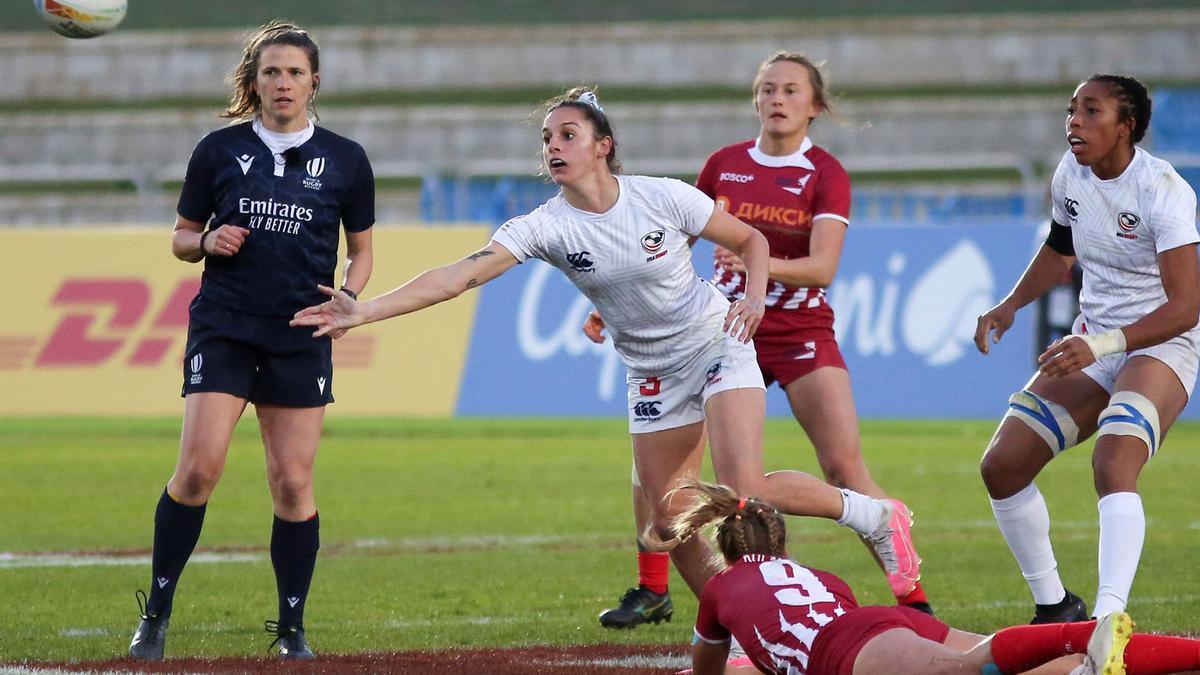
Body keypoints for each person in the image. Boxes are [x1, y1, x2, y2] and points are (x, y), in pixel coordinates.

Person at [291, 87, 916, 614]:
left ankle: (872, 515)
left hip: (715, 343)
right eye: (546, 138)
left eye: (566, 134)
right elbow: (460, 275)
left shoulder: (661, 196)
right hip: (650, 372)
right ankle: (735, 626)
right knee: (667, 524)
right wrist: (366, 309)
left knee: (742, 483)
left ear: (602, 145)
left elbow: (751, 240)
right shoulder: (545, 225)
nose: (553, 147)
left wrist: (753, 298)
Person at [589, 51, 927, 631]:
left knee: (843, 465)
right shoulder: (724, 164)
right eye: (768, 89)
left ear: (815, 107)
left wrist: (757, 268)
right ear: (754, 99)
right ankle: (656, 588)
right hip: (720, 329)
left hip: (798, 331)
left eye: (791, 91)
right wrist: (624, 299)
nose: (777, 99)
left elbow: (822, 269)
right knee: (663, 476)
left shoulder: (824, 173)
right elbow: (673, 239)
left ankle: (912, 595)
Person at [128, 21, 376, 661]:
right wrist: (206, 241)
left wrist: (349, 298)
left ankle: (291, 628)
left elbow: (363, 251)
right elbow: (181, 237)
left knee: (292, 483)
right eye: (271, 72)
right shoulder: (217, 150)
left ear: (314, 81)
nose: (283, 83)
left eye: (295, 72)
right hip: (227, 325)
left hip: (300, 332)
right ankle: (155, 612)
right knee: (198, 469)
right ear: (254, 81)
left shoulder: (347, 159)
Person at [975, 74, 1200, 624]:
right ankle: (1056, 607)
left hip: (1162, 343)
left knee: (1114, 459)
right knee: (1002, 466)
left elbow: (1188, 305)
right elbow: (1060, 249)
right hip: (1095, 338)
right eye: (1072, 109)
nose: (1074, 121)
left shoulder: (1162, 190)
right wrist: (1010, 304)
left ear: (1126, 128)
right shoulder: (1070, 173)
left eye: (1091, 111)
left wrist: (1099, 343)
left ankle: (1108, 621)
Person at [658, 479, 1200, 675]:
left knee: (970, 669)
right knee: (1052, 669)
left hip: (848, 652)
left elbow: (712, 668)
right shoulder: (812, 575)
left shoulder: (721, 589)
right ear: (781, 543)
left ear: (726, 549)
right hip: (874, 626)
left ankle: (1083, 631)